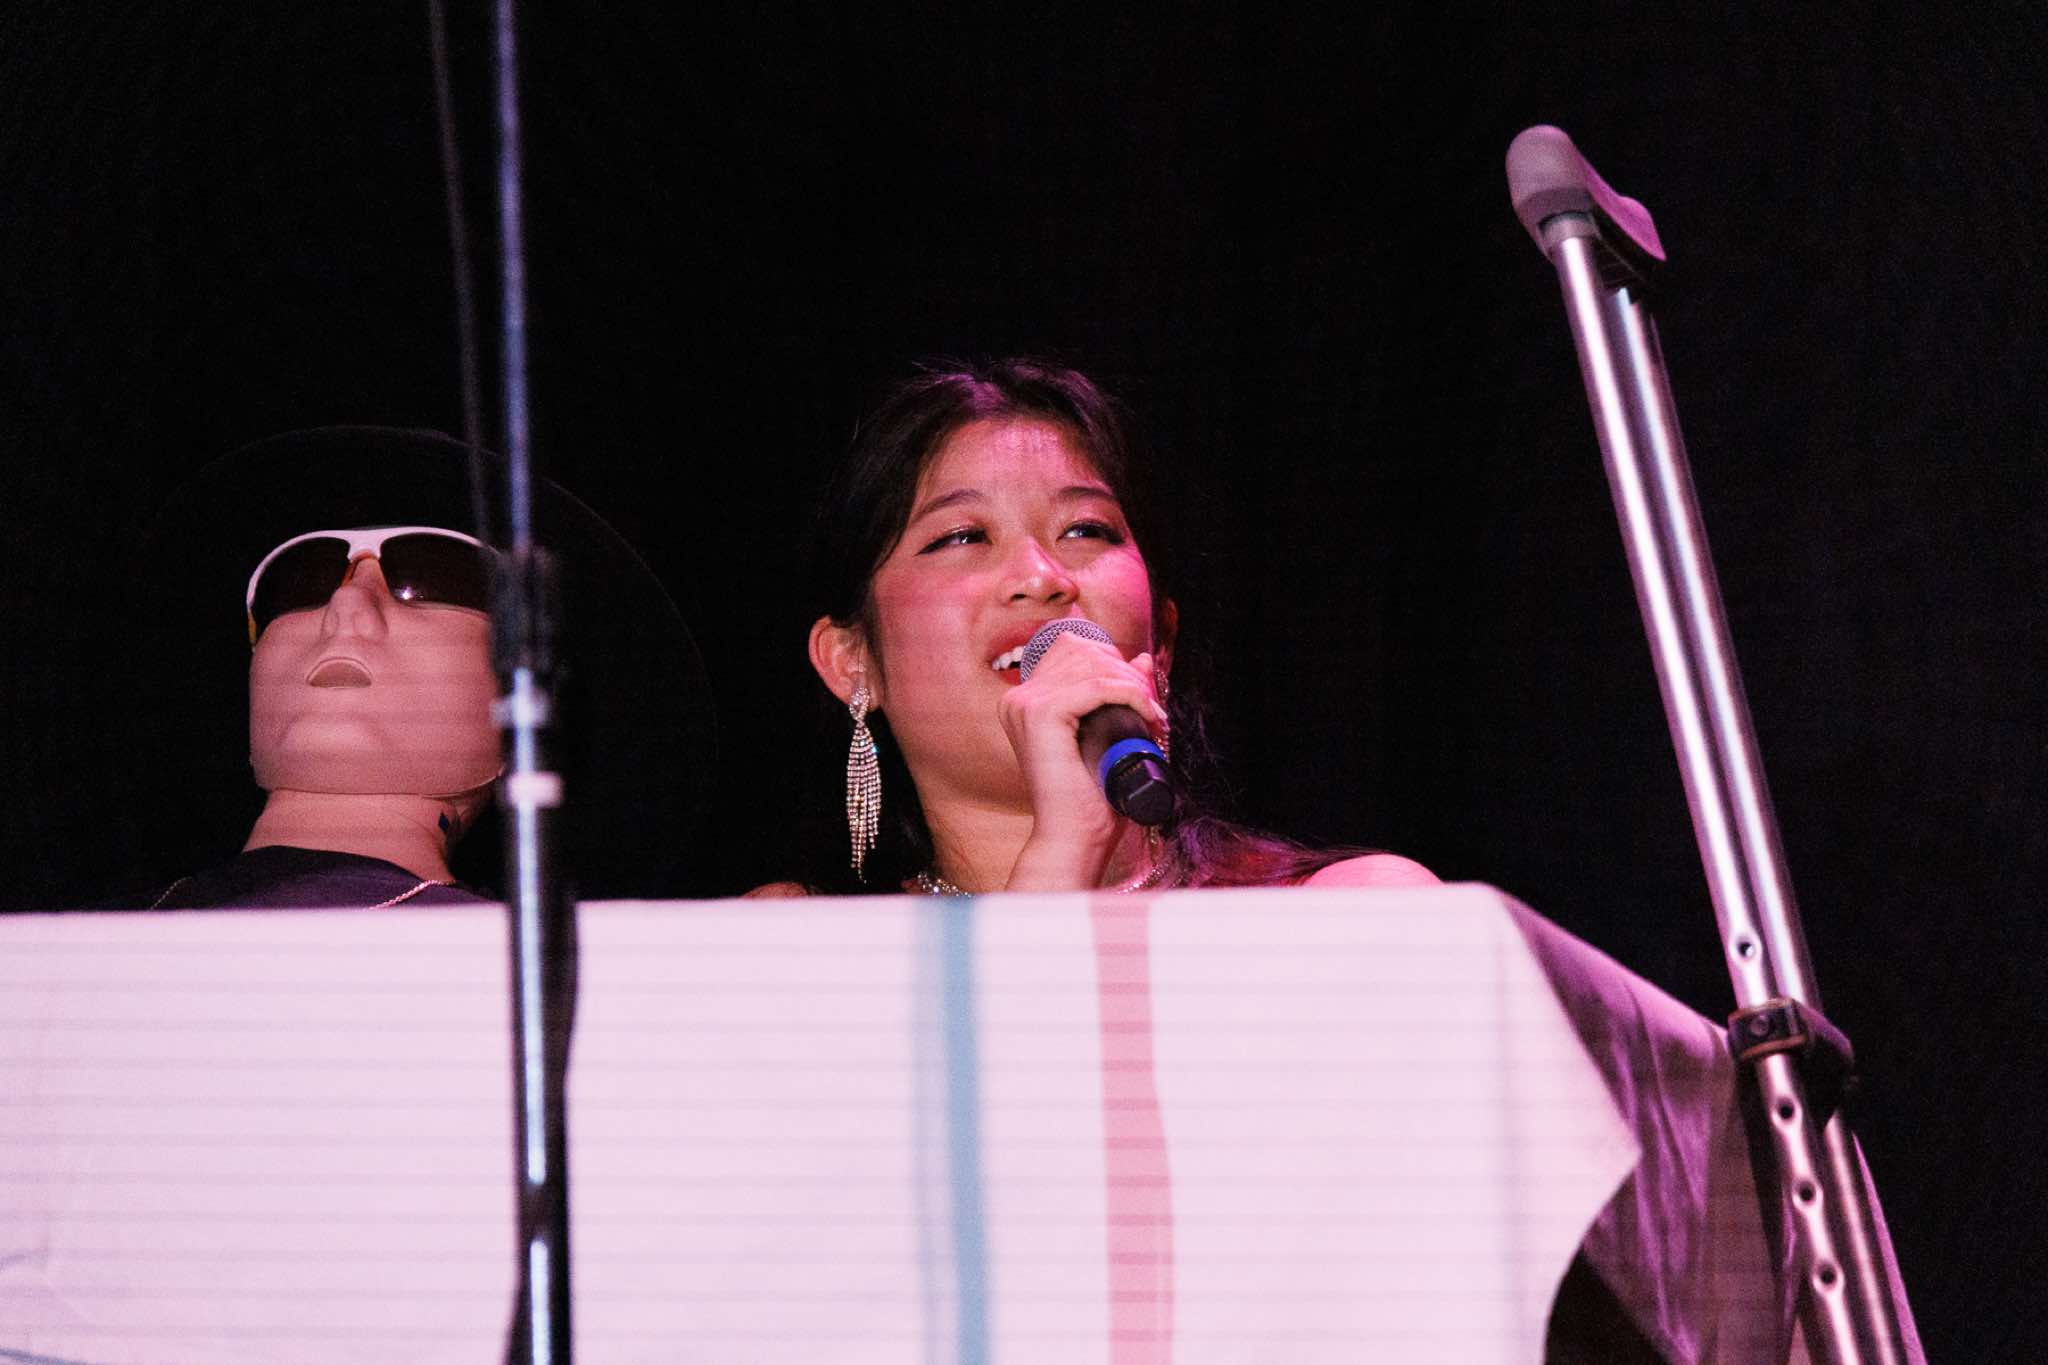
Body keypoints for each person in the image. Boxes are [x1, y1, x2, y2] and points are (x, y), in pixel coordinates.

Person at [752, 358, 1435, 897]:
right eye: (963, 536)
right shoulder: (801, 954)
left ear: (1161, 641)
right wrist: (1064, 851)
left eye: (1085, 529)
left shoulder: (1351, 910)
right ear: (850, 659)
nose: (1041, 575)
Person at [111, 426, 715, 909]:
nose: (346, 606)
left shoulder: (559, 992)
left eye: (436, 576)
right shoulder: (65, 960)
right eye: (302, 579)